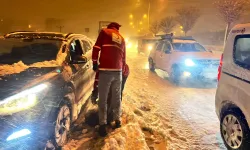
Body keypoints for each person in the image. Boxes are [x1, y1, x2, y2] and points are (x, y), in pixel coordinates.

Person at [92, 22, 126, 137]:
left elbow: (96, 47)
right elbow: (124, 58)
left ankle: (102, 125)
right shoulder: (122, 38)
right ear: (117, 29)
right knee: (116, 98)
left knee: (103, 98)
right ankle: (117, 121)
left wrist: (94, 62)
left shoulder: (104, 32)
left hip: (106, 70)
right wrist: (121, 69)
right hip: (118, 71)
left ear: (109, 27)